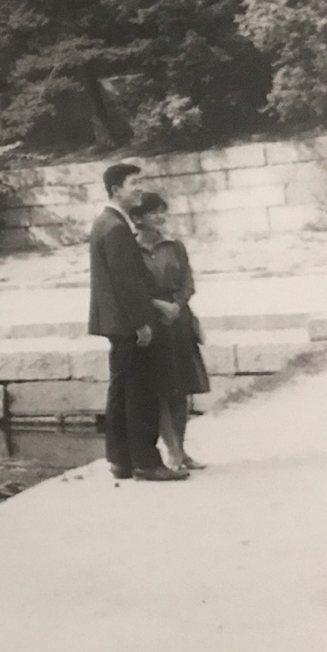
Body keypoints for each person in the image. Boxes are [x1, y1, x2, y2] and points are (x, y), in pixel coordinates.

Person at [88, 164, 186, 481]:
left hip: (114, 321)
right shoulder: (116, 227)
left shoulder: (105, 222)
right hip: (127, 322)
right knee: (140, 392)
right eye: (134, 183)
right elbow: (126, 282)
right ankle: (146, 462)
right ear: (116, 189)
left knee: (121, 389)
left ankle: (121, 460)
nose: (139, 188)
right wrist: (141, 323)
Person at [130, 193, 210, 471]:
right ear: (138, 218)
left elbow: (188, 282)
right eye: (153, 212)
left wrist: (177, 304)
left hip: (179, 321)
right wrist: (157, 305)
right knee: (161, 390)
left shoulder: (175, 246)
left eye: (162, 211)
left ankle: (182, 450)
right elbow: (131, 287)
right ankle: (173, 451)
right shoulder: (130, 250)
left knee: (181, 389)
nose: (160, 217)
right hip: (152, 323)